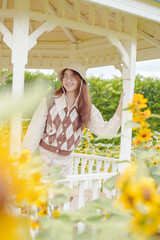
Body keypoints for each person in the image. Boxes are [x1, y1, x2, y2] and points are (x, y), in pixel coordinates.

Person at [22, 63, 125, 175]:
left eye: (72, 76)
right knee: (40, 191)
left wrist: (120, 108)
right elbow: (34, 131)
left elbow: (106, 132)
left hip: (64, 163)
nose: (68, 80)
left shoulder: (88, 108)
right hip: (42, 157)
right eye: (65, 76)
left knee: (61, 193)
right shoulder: (49, 101)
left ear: (81, 79)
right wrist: (23, 157)